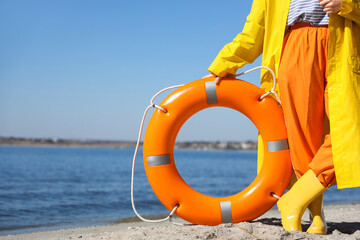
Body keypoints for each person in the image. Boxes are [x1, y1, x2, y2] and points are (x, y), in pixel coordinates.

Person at [205, 0, 360, 234]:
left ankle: (294, 199)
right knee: (303, 139)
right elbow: (255, 29)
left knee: (352, 133)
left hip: (346, 45)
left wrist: (348, 5)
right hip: (296, 47)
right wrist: (225, 63)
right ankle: (315, 214)